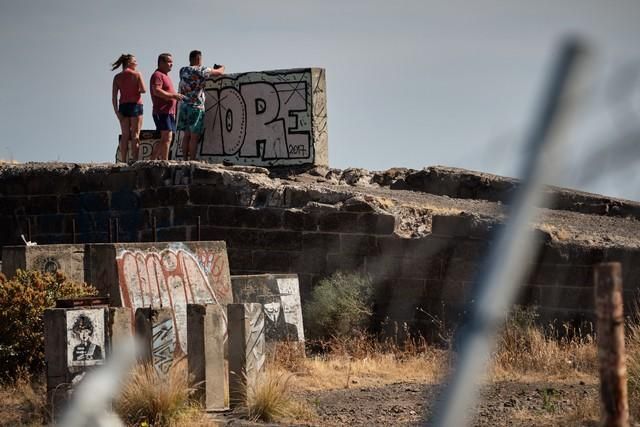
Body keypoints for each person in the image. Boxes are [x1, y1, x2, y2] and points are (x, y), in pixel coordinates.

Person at [178, 50, 225, 161]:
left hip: (184, 106)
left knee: (186, 135)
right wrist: (222, 67)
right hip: (196, 106)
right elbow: (220, 72)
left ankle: (184, 159)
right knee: (194, 137)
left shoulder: (182, 70)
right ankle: (192, 159)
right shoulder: (202, 70)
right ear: (198, 58)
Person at [111, 54, 146, 163]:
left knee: (125, 134)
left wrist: (117, 112)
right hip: (135, 105)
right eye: (135, 61)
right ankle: (135, 160)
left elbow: (114, 97)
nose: (136, 63)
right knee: (135, 135)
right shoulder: (137, 74)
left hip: (123, 107)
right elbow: (144, 90)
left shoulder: (117, 77)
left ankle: (123, 161)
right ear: (130, 63)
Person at [149, 53, 184, 160]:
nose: (171, 64)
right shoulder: (158, 75)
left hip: (168, 112)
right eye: (169, 62)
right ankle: (164, 161)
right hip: (162, 112)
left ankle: (154, 160)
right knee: (166, 137)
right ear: (161, 63)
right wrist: (173, 95)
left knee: (167, 137)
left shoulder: (165, 76)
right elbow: (156, 91)